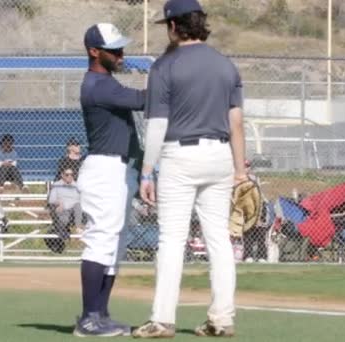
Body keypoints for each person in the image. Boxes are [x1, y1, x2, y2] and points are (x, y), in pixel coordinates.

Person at [133, 0, 246, 337]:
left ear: (173, 26)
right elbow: (236, 123)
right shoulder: (226, 66)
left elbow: (157, 123)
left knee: (171, 240)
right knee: (219, 241)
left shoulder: (165, 66)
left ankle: (163, 319)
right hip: (221, 155)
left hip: (179, 156)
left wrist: (146, 171)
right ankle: (222, 319)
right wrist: (241, 171)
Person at [72, 23, 145, 337]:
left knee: (114, 245)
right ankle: (89, 318)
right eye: (114, 50)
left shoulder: (105, 82)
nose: (120, 54)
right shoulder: (99, 85)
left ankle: (100, 314)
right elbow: (144, 99)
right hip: (104, 170)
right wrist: (173, 79)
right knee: (101, 240)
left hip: (118, 169)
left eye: (120, 48)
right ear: (94, 51)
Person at [48, 168, 83, 239]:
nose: (70, 176)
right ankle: (61, 231)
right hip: (62, 208)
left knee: (78, 205)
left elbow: (80, 199)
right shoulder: (57, 185)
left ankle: (78, 228)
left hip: (74, 210)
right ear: (62, 175)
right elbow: (51, 200)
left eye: (71, 175)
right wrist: (59, 203)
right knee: (64, 216)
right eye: (67, 175)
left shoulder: (76, 186)